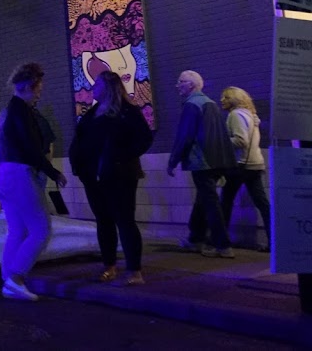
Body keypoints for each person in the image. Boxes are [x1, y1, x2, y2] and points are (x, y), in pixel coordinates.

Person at [69, 70, 153, 285]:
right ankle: (109, 265)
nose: (93, 88)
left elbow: (144, 139)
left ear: (107, 87)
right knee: (103, 220)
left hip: (120, 175)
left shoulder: (126, 112)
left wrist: (120, 157)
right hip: (93, 177)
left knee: (125, 220)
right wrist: (78, 166)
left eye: (97, 85)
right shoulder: (91, 114)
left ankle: (134, 270)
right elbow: (79, 140)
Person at [0, 63, 68, 301]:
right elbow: (31, 147)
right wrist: (53, 172)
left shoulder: (9, 111)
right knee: (41, 229)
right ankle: (16, 278)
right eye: (37, 89)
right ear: (27, 86)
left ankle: (9, 279)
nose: (39, 94)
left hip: (3, 173)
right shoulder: (22, 112)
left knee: (17, 230)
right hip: (19, 174)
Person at [168, 70, 236, 258]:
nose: (177, 85)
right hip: (217, 160)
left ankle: (222, 244)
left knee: (210, 203)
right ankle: (195, 238)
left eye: (181, 81)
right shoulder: (211, 103)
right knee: (203, 200)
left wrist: (173, 161)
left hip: (201, 160)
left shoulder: (192, 105)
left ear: (191, 85)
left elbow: (185, 136)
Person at [219, 86, 271, 251]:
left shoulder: (235, 115)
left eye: (226, 97)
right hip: (255, 164)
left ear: (235, 100)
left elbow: (241, 141)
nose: (222, 100)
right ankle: (274, 241)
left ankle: (221, 241)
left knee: (225, 202)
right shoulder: (251, 115)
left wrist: (220, 141)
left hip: (240, 166)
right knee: (263, 204)